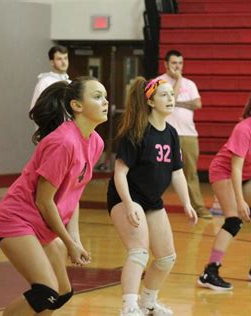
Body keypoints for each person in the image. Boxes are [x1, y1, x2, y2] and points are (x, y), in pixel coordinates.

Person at [0, 76, 108, 314]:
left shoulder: (95, 142)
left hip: (41, 226)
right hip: (16, 220)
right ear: (76, 105)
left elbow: (73, 195)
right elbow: (44, 201)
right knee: (46, 291)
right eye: (97, 97)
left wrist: (74, 240)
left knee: (61, 293)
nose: (105, 101)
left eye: (105, 96)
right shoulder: (63, 142)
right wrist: (67, 242)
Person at [106, 77, 198, 315]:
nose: (171, 98)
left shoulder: (171, 133)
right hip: (125, 197)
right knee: (139, 252)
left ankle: (149, 302)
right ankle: (128, 307)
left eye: (171, 94)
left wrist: (187, 203)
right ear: (150, 101)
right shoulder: (136, 132)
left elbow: (177, 172)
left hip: (152, 201)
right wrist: (128, 204)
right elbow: (120, 173)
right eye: (164, 95)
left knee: (167, 257)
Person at [197, 87, 251, 291]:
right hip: (224, 172)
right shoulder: (244, 128)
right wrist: (240, 201)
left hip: (248, 175)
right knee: (233, 221)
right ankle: (210, 272)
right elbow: (235, 168)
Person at [157, 50, 212, 219]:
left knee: (190, 173)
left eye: (180, 63)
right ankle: (151, 204)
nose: (177, 67)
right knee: (158, 171)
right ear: (166, 64)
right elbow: (170, 99)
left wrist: (179, 102)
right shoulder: (158, 82)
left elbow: (198, 104)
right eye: (174, 63)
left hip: (189, 134)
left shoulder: (190, 83)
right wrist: (178, 81)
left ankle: (199, 208)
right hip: (165, 133)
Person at [30, 45, 70, 110]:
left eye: (65, 58)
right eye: (59, 59)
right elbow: (35, 109)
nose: (64, 62)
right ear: (52, 62)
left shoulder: (70, 82)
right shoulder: (44, 82)